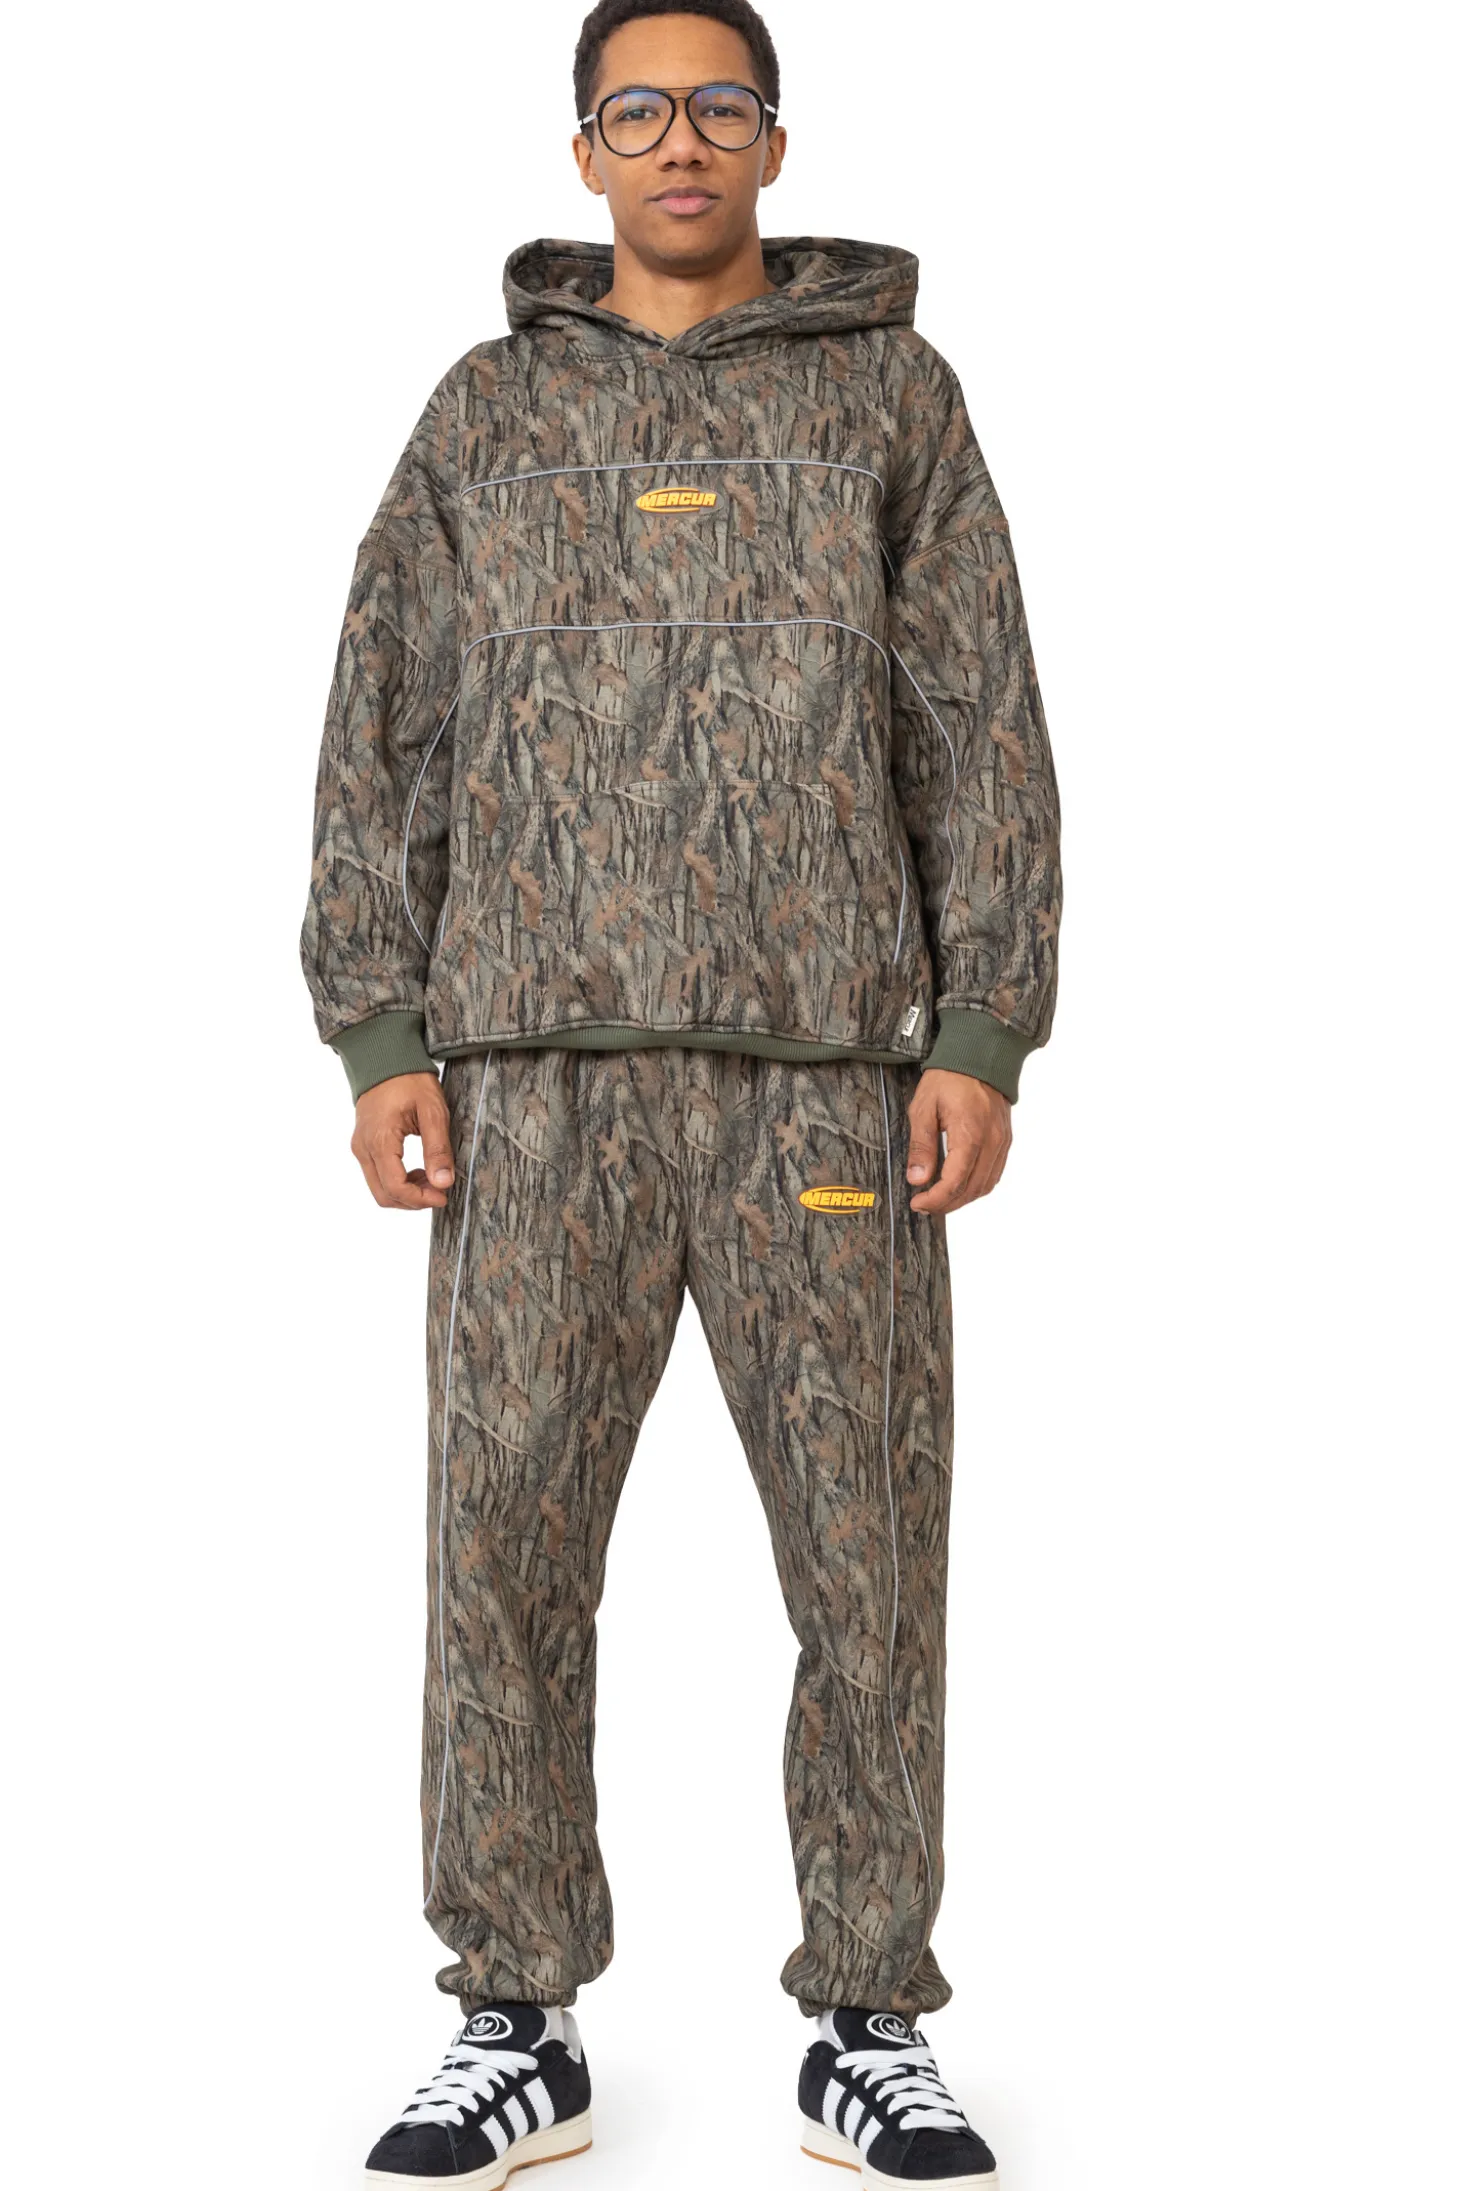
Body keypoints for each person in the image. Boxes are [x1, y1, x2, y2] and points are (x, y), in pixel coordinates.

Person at [299, 3, 1061, 2183]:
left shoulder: (895, 400)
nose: (680, 140)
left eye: (720, 104)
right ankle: (515, 2011)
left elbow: (978, 724)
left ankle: (868, 2018)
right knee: (503, 1552)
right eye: (635, 110)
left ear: (776, 142)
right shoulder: (486, 413)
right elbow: (382, 718)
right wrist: (379, 1031)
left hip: (830, 1082)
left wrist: (982, 1031)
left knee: (868, 1558)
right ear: (583, 156)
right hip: (533, 1083)